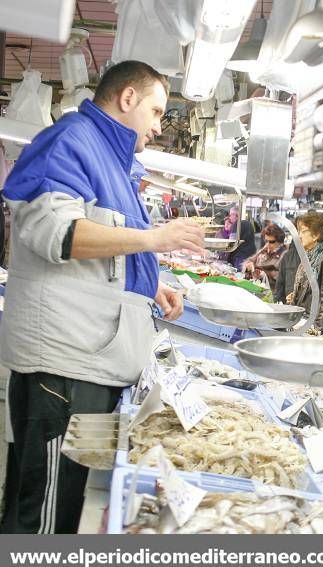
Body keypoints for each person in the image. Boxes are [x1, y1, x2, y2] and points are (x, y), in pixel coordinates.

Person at [0, 61, 205, 533]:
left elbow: (109, 247)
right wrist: (155, 240)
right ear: (127, 98)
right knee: (47, 508)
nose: (157, 127)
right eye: (155, 112)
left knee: (65, 497)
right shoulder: (71, 141)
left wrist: (150, 283)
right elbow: (59, 233)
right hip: (66, 368)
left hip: (93, 362)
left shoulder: (111, 159)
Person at [286, 211, 323, 336]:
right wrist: (296, 295)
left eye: (303, 231)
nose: (299, 235)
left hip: (312, 326)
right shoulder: (310, 255)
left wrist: (316, 332)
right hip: (303, 321)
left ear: (316, 235)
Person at [243, 224, 287, 292]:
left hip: (272, 292)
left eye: (271, 242)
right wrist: (249, 266)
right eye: (266, 241)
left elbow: (283, 278)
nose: (268, 244)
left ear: (279, 241)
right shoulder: (264, 250)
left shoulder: (285, 254)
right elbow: (249, 261)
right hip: (258, 288)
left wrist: (263, 274)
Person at [227, 206, 257, 271]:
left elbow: (231, 242)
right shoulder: (249, 224)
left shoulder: (236, 224)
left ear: (235, 215)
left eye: (230, 215)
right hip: (251, 255)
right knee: (247, 275)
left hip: (240, 256)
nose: (230, 218)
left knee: (238, 277)